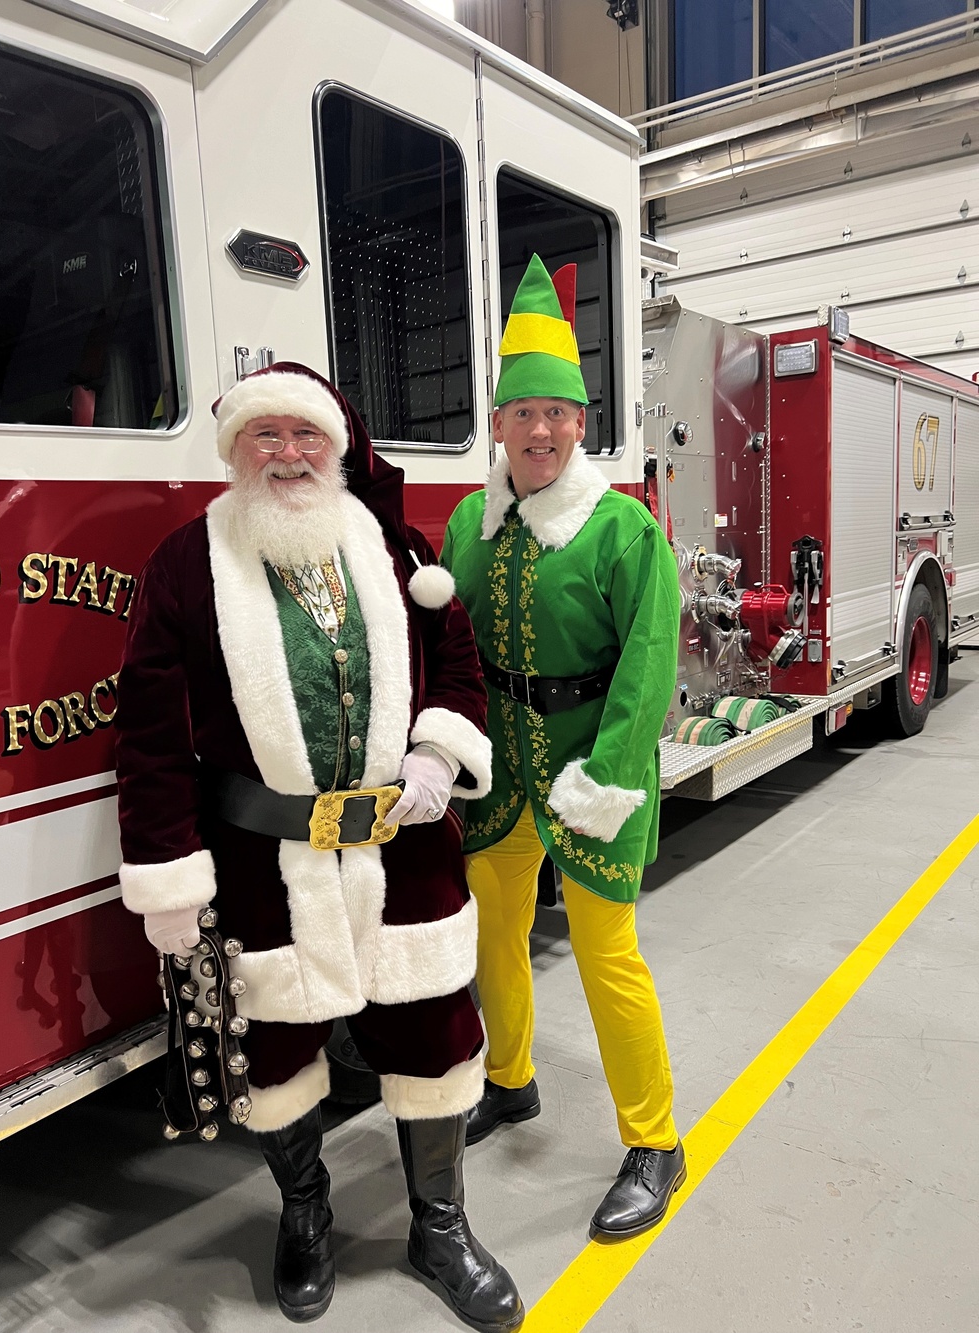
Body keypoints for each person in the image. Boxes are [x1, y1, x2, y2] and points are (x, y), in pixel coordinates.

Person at [114, 362, 524, 1331]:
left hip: (403, 850)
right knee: (275, 1053)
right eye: (268, 437)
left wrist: (436, 754)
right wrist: (168, 876)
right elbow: (149, 733)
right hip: (261, 860)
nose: (289, 456)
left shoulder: (393, 547)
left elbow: (459, 664)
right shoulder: (186, 562)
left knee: (433, 1036)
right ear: (235, 452)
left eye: (308, 438)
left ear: (337, 450)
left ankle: (440, 1223)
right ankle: (305, 1213)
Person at [442, 254, 686, 1239]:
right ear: (495, 425)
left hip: (592, 772)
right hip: (500, 773)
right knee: (491, 937)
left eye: (558, 414)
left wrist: (612, 776)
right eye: (522, 413)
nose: (540, 431)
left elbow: (649, 658)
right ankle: (509, 1080)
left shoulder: (624, 529)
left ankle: (656, 1140)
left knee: (603, 953)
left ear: (581, 425)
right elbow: (446, 632)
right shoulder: (470, 520)